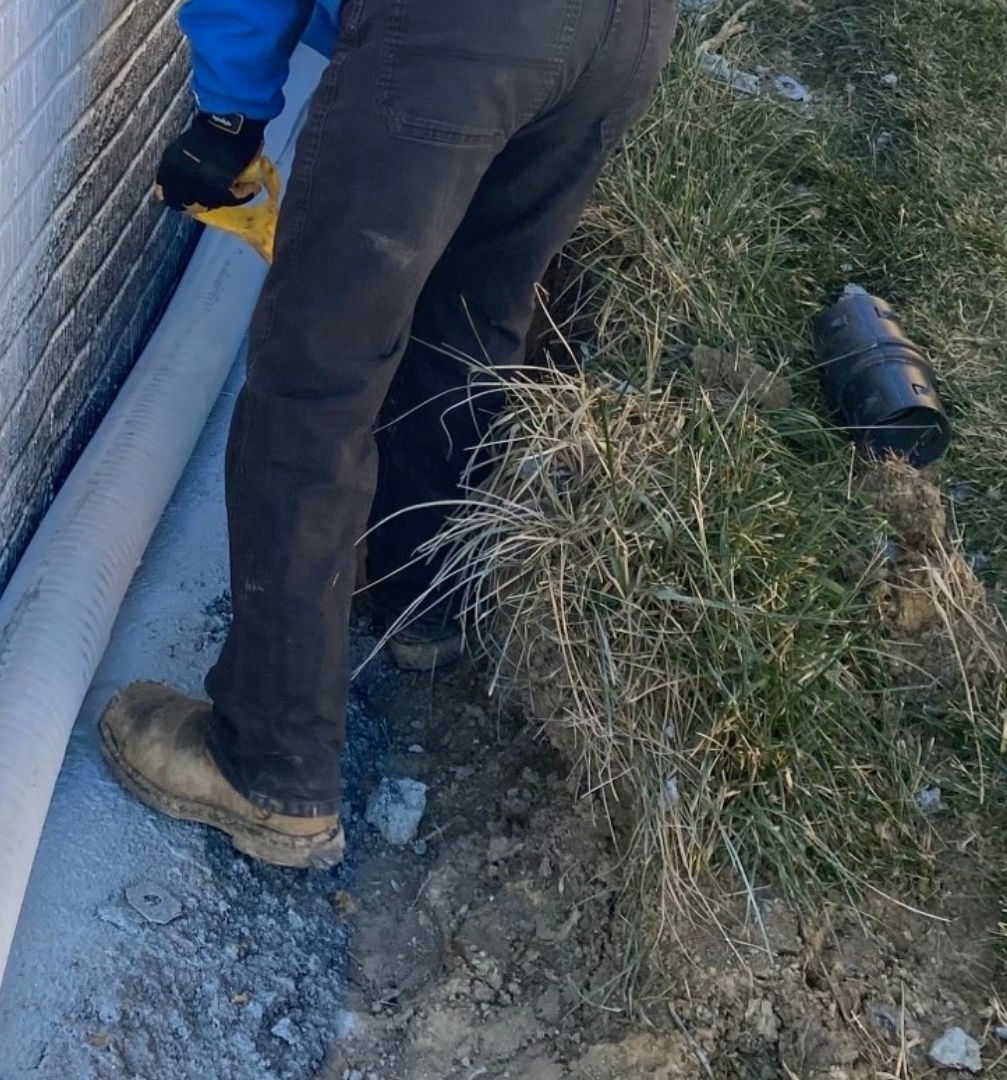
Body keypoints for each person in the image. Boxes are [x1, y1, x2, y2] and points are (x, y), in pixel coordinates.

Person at [99, 0, 676, 868]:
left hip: (459, 36)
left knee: (317, 374)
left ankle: (269, 765)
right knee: (473, 320)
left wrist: (227, 113)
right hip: (623, 33)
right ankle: (423, 603)